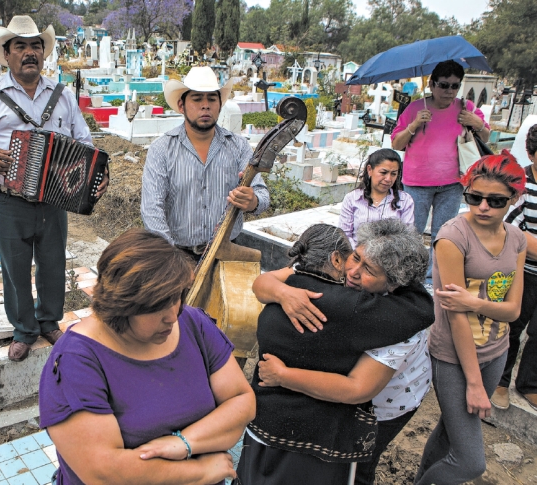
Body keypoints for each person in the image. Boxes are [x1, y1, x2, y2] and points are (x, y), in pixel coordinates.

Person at [39, 229, 255, 484]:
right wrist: (200, 472)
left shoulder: (193, 323)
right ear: (122, 305)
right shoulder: (76, 362)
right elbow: (104, 473)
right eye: (157, 306)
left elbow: (242, 400)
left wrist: (183, 443)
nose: (173, 315)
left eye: (176, 297)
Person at [0, 16, 106, 362]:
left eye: (35, 45)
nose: (29, 52)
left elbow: (84, 141)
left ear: (43, 53)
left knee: (52, 264)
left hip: (53, 200)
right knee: (15, 268)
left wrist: (90, 169)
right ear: (5, 55)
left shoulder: (62, 95)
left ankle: (49, 320)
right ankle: (24, 330)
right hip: (10, 200)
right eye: (20, 46)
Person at [236, 222, 433, 484]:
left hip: (389, 402)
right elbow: (263, 282)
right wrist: (283, 293)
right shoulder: (340, 288)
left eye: (369, 270)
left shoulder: (399, 322)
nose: (352, 272)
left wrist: (283, 376)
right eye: (356, 257)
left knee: (361, 465)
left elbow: (357, 389)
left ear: (394, 283)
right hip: (342, 399)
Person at [416, 153, 527, 484]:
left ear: (514, 199)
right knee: (470, 462)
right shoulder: (453, 237)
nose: (483, 207)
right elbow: (456, 317)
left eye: (495, 201)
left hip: (496, 349)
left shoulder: (516, 238)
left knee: (451, 433)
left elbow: (514, 310)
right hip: (454, 355)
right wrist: (475, 384)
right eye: (474, 197)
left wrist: (471, 301)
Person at [141, 66, 269, 260]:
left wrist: (252, 201)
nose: (205, 105)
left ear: (220, 104)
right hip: (177, 255)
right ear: (182, 105)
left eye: (211, 98)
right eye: (197, 98)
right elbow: (152, 210)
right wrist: (171, 260)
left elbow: (262, 195)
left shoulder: (238, 146)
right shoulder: (161, 149)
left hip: (227, 253)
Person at [392, 60, 491, 286]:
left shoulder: (465, 108)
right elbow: (397, 143)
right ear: (432, 84)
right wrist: (414, 124)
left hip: (452, 183)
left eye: (455, 86)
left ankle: (431, 279)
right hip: (417, 183)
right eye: (444, 85)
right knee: (412, 233)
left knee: (444, 235)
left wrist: (476, 122)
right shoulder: (417, 108)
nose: (449, 91)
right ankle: (408, 279)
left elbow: (485, 137)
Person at [495, 125, 537, 410]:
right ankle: (499, 381)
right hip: (524, 270)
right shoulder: (521, 185)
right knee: (513, 325)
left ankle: (529, 383)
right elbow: (509, 229)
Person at [339, 148, 414, 247]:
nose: (388, 179)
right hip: (357, 256)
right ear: (370, 170)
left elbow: (407, 237)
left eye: (393, 174)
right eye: (383, 173)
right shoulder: (352, 199)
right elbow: (345, 235)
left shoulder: (405, 200)